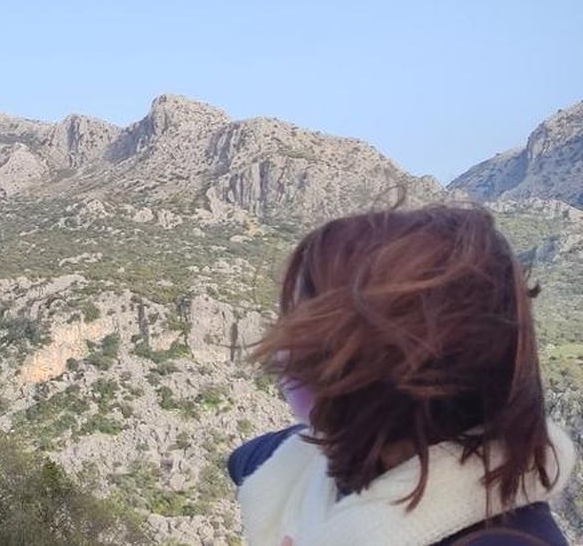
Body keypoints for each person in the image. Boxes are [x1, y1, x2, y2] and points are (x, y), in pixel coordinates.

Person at [228, 205, 576, 545]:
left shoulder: (504, 538)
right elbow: (245, 459)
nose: (287, 354)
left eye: (309, 336)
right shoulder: (317, 462)